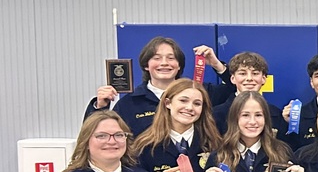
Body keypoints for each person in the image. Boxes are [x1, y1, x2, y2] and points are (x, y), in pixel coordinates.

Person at [85, 37, 233, 137]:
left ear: (179, 65)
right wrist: (100, 107)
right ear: (146, 65)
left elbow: (237, 92)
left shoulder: (199, 92)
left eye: (171, 58)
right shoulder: (129, 103)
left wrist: (216, 65)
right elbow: (95, 135)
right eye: (156, 58)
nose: (164, 63)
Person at [212, 52, 288, 145]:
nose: (249, 78)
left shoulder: (276, 114)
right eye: (242, 73)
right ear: (233, 79)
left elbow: (284, 148)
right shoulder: (216, 114)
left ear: (264, 79)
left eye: (255, 73)